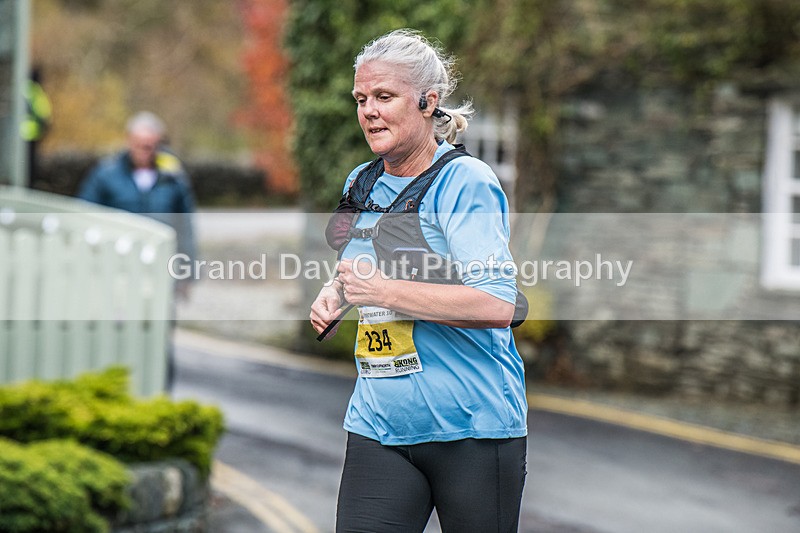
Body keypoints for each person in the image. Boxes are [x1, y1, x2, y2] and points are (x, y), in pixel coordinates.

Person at [310, 30, 528, 532]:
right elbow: (361, 266)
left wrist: (385, 292)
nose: (369, 111)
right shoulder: (362, 181)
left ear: (428, 102)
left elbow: (498, 304)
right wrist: (335, 295)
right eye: (361, 99)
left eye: (384, 97)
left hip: (472, 429)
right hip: (380, 424)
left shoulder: (464, 181)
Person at [78, 111, 197, 389]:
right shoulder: (106, 175)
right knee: (115, 334)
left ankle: (158, 392)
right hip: (116, 274)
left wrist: (187, 273)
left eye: (151, 145)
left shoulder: (173, 177)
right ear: (128, 141)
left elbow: (186, 227)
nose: (146, 151)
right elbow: (84, 216)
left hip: (159, 273)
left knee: (158, 335)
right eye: (140, 144)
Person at [21, 67, 52, 184]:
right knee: (29, 164)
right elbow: (43, 113)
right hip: (31, 134)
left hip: (22, 134)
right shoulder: (34, 91)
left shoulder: (22, 87)